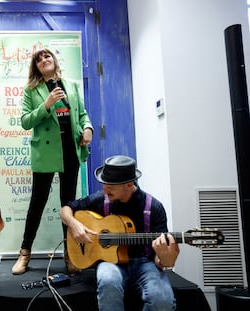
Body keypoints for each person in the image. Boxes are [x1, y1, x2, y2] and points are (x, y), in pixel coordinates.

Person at [60, 155, 179, 311]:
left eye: (111, 186)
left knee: (162, 300)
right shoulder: (102, 199)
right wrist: (74, 225)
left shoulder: (153, 207)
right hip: (110, 263)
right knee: (108, 281)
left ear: (129, 185)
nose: (104, 190)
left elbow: (161, 260)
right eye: (104, 184)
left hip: (145, 263)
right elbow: (66, 209)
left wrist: (166, 258)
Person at [12, 48, 93, 275]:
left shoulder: (72, 85)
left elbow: (83, 114)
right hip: (46, 153)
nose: (44, 60)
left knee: (68, 205)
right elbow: (26, 121)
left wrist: (87, 128)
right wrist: (46, 104)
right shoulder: (32, 91)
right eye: (39, 60)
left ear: (54, 60)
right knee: (37, 203)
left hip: (71, 151)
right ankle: (24, 254)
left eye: (47, 56)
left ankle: (70, 254)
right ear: (36, 67)